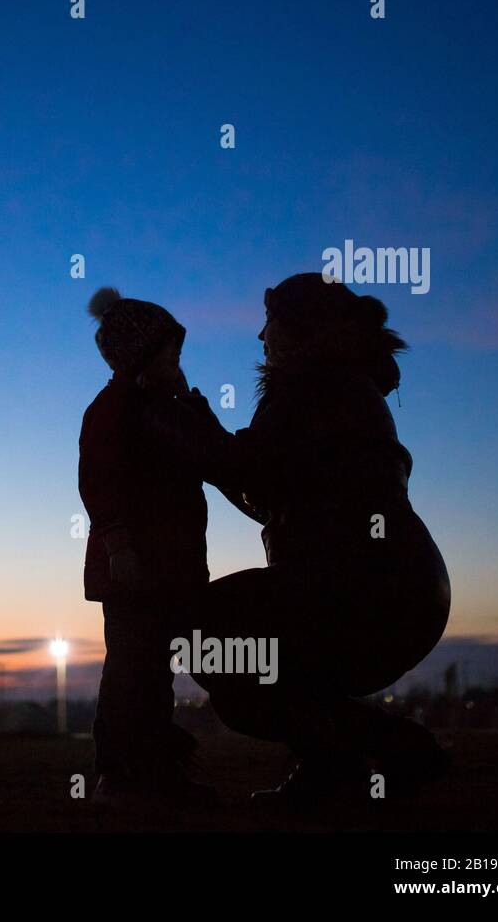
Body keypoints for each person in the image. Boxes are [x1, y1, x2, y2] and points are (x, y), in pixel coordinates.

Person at [143, 273, 451, 805]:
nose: (261, 337)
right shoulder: (338, 386)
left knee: (209, 638)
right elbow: (270, 487)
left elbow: (256, 473)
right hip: (391, 587)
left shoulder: (318, 387)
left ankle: (381, 749)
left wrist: (192, 432)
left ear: (299, 328)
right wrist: (209, 438)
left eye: (271, 322)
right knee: (250, 658)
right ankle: (340, 767)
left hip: (363, 589)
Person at [78, 287, 215, 809]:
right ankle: (119, 775)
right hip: (133, 569)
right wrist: (119, 546)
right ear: (140, 356)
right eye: (171, 355)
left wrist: (191, 403)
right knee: (132, 669)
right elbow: (99, 482)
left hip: (171, 566)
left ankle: (155, 771)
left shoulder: (165, 408)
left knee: (155, 671)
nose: (178, 364)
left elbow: (206, 454)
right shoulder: (113, 410)